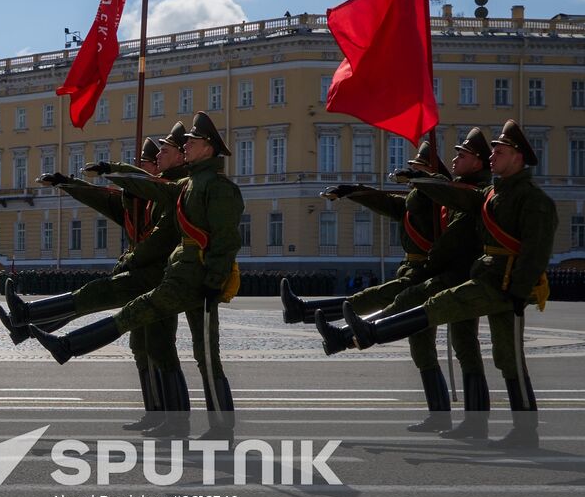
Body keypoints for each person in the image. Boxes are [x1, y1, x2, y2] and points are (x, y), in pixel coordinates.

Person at [317, 121, 557, 448]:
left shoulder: (532, 199)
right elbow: (454, 197)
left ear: (517, 157)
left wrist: (518, 291)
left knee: (450, 315)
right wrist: (420, 181)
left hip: (504, 284)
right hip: (489, 277)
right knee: (498, 355)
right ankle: (479, 424)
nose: (492, 157)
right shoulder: (492, 193)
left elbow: (536, 250)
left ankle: (525, 432)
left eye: (498, 152)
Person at [30, 111, 242, 441]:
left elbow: (227, 239)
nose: (186, 146)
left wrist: (214, 281)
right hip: (182, 273)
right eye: (184, 143)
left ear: (209, 148)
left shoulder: (219, 188)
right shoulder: (187, 184)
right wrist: (113, 171)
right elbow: (152, 187)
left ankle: (221, 428)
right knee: (154, 329)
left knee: (204, 354)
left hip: (198, 278)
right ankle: (66, 345)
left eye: (192, 142)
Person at [287, 134, 492, 433]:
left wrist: (426, 181)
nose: (455, 160)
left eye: (462, 156)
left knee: (459, 342)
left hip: (454, 275)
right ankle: (441, 415)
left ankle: (340, 333)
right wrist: (353, 191)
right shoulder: (438, 195)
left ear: (478, 160)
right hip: (437, 271)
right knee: (423, 343)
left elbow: (452, 231)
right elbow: (393, 205)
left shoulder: (472, 192)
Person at [0, 124, 190, 433]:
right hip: (144, 274)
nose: (142, 169)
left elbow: (159, 241)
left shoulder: (173, 193)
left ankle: (28, 319)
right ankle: (158, 415)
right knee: (143, 345)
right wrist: (67, 183)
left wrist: (129, 260)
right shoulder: (140, 199)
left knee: (152, 340)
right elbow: (102, 198)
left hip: (158, 276)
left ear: (157, 166)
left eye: (147, 163)